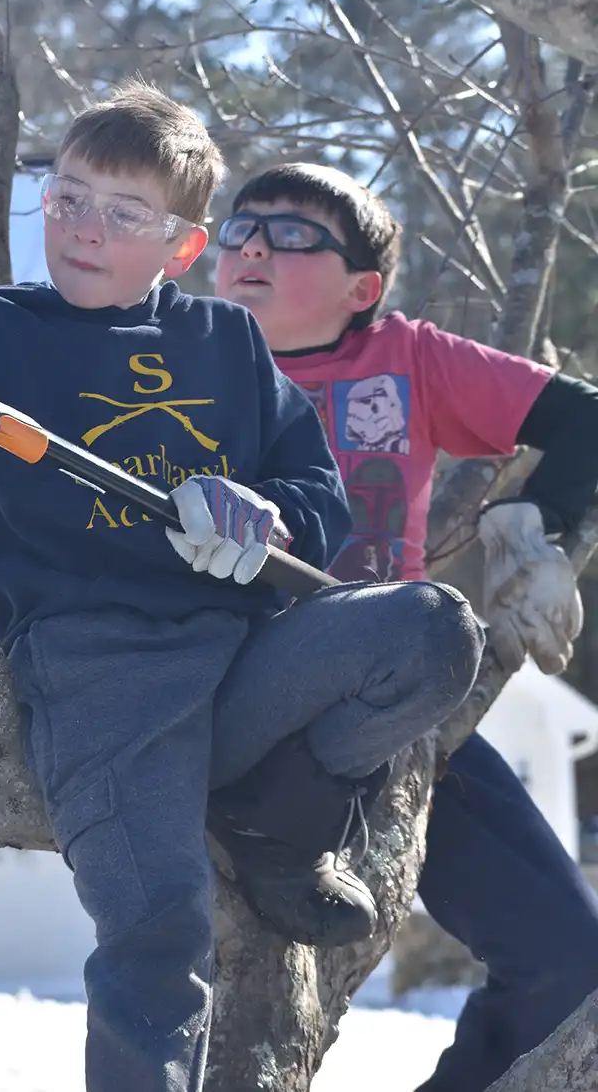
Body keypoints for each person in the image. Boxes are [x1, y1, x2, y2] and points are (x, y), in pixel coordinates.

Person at [0, 22, 483, 1092]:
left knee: (432, 629)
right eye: (68, 197)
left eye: (123, 213)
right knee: (157, 939)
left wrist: (263, 516)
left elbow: (315, 497)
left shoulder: (228, 343)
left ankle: (280, 824)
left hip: (248, 664)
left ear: (181, 245)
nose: (83, 228)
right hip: (104, 682)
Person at [214, 160, 598, 1092]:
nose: (257, 243)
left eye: (296, 234)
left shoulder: (407, 357)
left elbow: (584, 422)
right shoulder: (173, 353)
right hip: (227, 706)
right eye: (242, 227)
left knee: (570, 964)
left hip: (404, 707)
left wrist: (526, 527)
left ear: (363, 290)